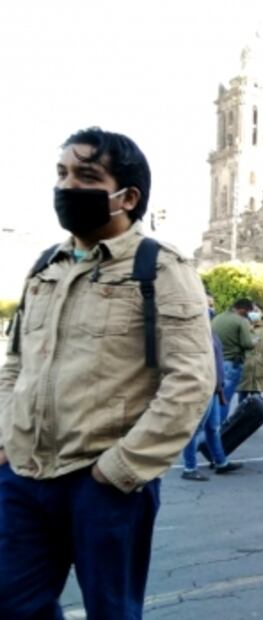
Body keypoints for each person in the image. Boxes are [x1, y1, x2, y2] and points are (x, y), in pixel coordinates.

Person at [0, 127, 215, 618]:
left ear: (127, 197)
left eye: (86, 175)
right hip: (25, 477)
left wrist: (118, 469)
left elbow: (191, 381)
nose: (67, 186)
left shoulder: (160, 269)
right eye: (62, 174)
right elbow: (15, 364)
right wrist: (5, 439)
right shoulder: (44, 267)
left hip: (103, 484)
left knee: (112, 612)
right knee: (12, 604)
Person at [181, 301, 244, 480]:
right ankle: (189, 468)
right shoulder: (195, 335)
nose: (210, 310)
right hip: (203, 387)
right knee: (196, 428)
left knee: (212, 428)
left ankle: (220, 462)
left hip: (214, 388)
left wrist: (220, 387)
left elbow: (216, 361)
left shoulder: (210, 333)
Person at [211, 297, 255, 417]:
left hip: (215, 363)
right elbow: (247, 344)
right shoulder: (241, 321)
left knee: (214, 400)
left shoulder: (217, 318)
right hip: (231, 364)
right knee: (225, 400)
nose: (250, 314)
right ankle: (220, 430)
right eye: (249, 311)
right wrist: (254, 342)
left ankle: (212, 430)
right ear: (243, 310)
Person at [236, 305, 263, 402]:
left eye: (256, 310)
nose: (253, 312)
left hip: (259, 370)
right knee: (241, 402)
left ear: (262, 313)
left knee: (256, 403)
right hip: (244, 369)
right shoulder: (243, 325)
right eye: (251, 310)